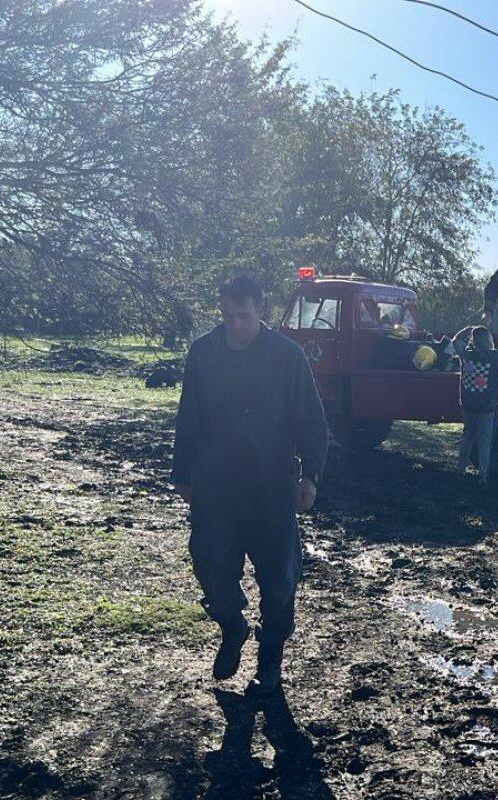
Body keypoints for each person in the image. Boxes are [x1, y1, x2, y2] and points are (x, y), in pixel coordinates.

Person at [171, 272, 329, 697]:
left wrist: (311, 475)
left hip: (271, 487)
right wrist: (182, 475)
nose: (235, 325)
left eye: (243, 316)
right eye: (227, 316)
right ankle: (233, 625)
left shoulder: (287, 356)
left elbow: (311, 421)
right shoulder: (203, 352)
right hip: (216, 485)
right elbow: (188, 416)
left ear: (261, 310)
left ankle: (269, 665)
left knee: (279, 580)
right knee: (209, 564)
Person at [451, 325, 498, 487]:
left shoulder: (466, 354)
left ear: (473, 339)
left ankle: (460, 469)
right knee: (484, 442)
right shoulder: (496, 356)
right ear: (488, 339)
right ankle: (482, 476)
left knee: (467, 437)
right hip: (487, 406)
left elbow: (455, 341)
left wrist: (468, 328)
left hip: (467, 404)